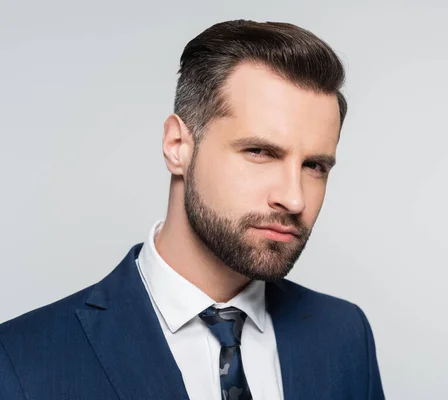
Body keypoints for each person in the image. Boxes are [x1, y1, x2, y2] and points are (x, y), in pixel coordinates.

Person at [0, 20, 385, 400]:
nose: (294, 198)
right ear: (177, 145)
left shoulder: (345, 335)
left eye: (314, 166)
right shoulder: (21, 359)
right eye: (260, 152)